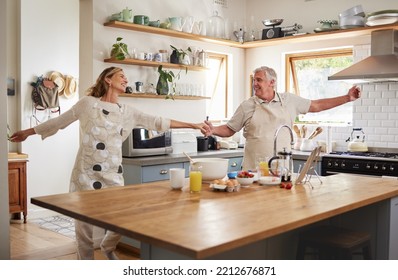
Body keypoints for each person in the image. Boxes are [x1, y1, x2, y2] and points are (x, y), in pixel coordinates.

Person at [9, 66, 209, 260]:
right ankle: (86, 263)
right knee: (83, 226)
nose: (126, 80)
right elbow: (59, 122)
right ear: (108, 79)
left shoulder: (128, 112)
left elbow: (158, 121)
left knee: (124, 216)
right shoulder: (87, 104)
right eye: (121, 76)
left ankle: (107, 245)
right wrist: (27, 133)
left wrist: (194, 125)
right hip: (85, 173)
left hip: (113, 173)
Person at [204, 66, 361, 171]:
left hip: (282, 170)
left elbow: (316, 105)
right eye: (254, 80)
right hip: (252, 171)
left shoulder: (289, 101)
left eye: (259, 80)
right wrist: (213, 130)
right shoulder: (247, 105)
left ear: (272, 82)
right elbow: (229, 129)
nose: (254, 84)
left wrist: (347, 98)